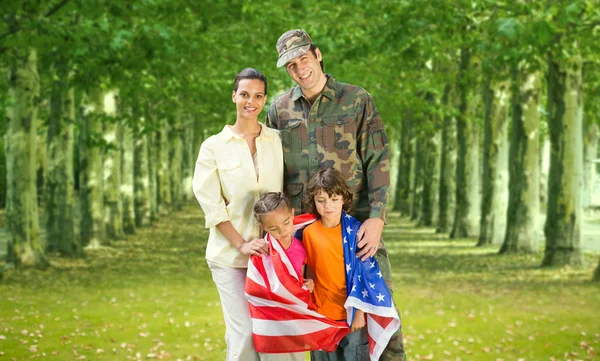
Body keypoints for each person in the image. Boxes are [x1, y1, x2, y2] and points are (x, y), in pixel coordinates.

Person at [266, 29, 406, 360]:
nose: (301, 69)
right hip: (308, 233)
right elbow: (272, 172)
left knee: (378, 314)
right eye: (291, 66)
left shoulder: (356, 99)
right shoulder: (279, 109)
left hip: (356, 228)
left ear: (317, 54)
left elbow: (378, 160)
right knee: (322, 323)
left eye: (304, 59)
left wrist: (377, 218)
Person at [193, 68, 282, 361]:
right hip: (230, 257)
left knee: (271, 336)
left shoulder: (278, 142)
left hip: (272, 256)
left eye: (258, 96)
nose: (251, 102)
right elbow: (212, 206)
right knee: (243, 333)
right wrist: (242, 244)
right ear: (234, 96)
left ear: (264, 99)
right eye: (244, 94)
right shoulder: (213, 147)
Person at [302, 167, 399, 361]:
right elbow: (310, 265)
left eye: (334, 199)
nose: (327, 206)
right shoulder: (309, 233)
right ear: (313, 200)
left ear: (344, 199)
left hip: (350, 316)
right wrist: (309, 281)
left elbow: (363, 275)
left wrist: (359, 313)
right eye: (321, 200)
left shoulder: (355, 232)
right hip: (321, 315)